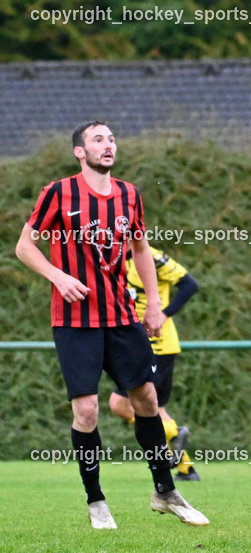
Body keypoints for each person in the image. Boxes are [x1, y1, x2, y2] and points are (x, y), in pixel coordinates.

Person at [15, 121, 208, 529]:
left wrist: (154, 304)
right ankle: (96, 500)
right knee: (87, 410)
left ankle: (165, 491)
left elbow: (140, 248)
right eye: (98, 140)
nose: (108, 145)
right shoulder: (59, 193)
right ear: (79, 152)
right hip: (75, 320)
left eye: (112, 139)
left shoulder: (128, 194)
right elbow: (24, 246)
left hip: (122, 316)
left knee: (148, 402)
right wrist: (58, 276)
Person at [108, 246, 201, 481]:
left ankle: (173, 434)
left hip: (158, 345)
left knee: (120, 403)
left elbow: (190, 284)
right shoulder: (112, 258)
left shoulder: (151, 257)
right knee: (156, 409)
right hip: (136, 342)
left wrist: (163, 313)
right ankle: (186, 468)